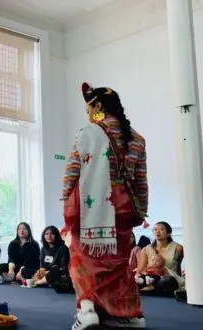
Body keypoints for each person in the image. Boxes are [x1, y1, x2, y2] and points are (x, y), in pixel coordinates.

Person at [62, 82, 148, 329]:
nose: (87, 113)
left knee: (82, 259)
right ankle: (127, 314)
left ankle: (87, 310)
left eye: (89, 107)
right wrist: (140, 211)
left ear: (98, 106)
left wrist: (67, 204)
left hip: (91, 205)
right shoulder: (137, 140)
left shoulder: (88, 133)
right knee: (117, 265)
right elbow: (140, 182)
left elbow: (71, 174)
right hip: (122, 206)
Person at [136, 221, 183, 296]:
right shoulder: (146, 249)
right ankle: (152, 289)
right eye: (155, 229)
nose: (157, 231)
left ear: (168, 233)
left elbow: (179, 267)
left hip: (168, 278)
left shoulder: (178, 248)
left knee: (167, 281)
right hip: (150, 278)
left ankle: (150, 290)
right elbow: (141, 269)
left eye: (161, 229)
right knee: (136, 280)